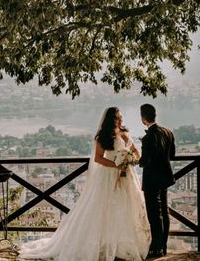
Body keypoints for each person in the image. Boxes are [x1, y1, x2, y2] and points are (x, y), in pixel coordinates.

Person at [19, 107, 151, 261]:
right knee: (104, 209)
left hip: (127, 176)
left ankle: (121, 245)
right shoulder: (103, 136)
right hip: (108, 175)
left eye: (121, 117)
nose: (121, 120)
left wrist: (132, 159)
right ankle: (104, 245)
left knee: (126, 208)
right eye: (117, 118)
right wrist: (116, 164)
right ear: (110, 119)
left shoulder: (125, 132)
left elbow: (135, 150)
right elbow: (98, 158)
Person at [139, 103, 175, 259]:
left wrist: (137, 160)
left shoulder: (148, 138)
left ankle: (156, 248)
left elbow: (145, 161)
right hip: (165, 178)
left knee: (154, 214)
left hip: (152, 180)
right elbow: (172, 155)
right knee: (164, 212)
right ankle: (163, 245)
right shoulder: (168, 132)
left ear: (143, 118)